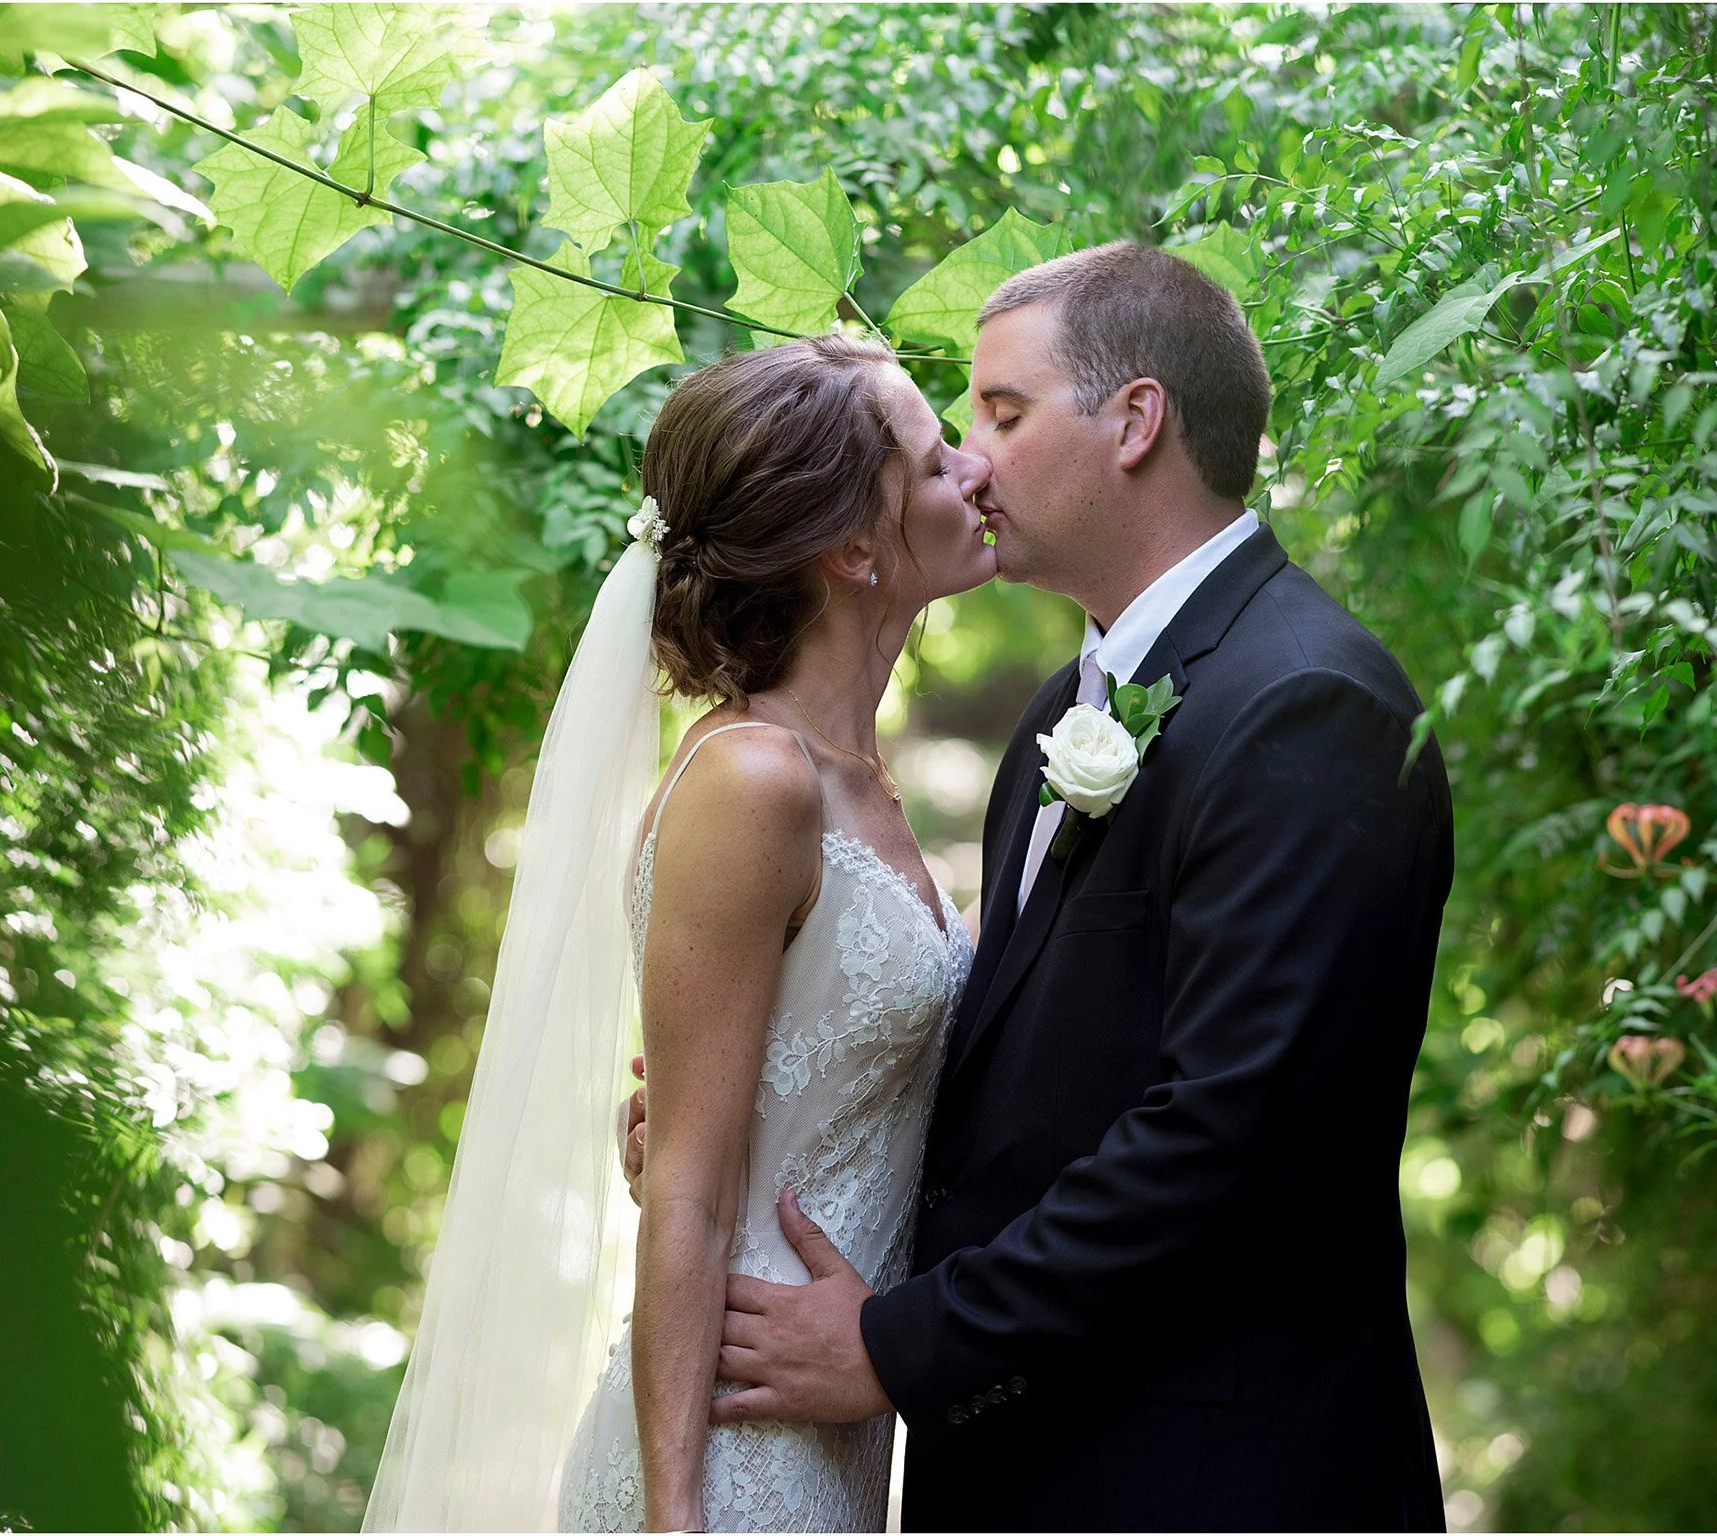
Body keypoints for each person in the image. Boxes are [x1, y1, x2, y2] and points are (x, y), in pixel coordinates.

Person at [621, 241, 1453, 1531]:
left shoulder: (1305, 705)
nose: (972, 460)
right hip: (1009, 1466)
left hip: (1205, 1485)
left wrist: (898, 1348)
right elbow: (1004, 1079)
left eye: (1001, 413)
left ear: (1133, 422)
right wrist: (740, 1114)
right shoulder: (1062, 720)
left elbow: (1224, 1143)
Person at [364, 333, 994, 1532]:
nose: (972, 472)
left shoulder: (863, 782)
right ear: (853, 549)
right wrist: (675, 1515)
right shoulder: (751, 780)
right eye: (932, 459)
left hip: (830, 1424)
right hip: (730, 1452)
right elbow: (691, 1192)